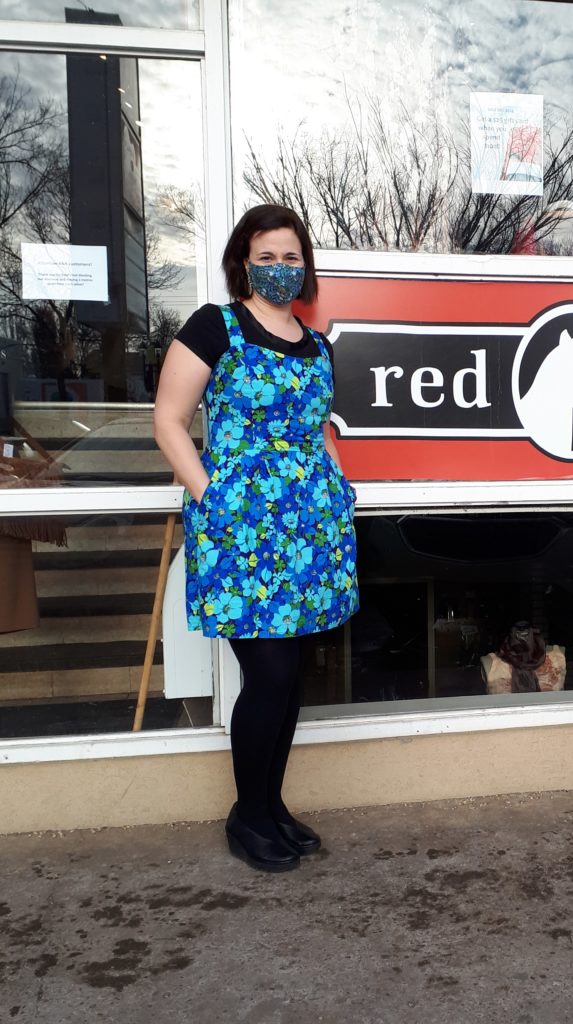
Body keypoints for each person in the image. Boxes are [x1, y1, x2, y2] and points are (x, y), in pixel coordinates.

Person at [154, 204, 359, 871]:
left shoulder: (318, 344)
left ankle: (271, 806)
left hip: (309, 532)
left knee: (289, 677)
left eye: (290, 257)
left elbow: (318, 426)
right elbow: (169, 420)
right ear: (243, 262)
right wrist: (211, 497)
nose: (279, 268)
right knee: (267, 673)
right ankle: (247, 816)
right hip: (240, 532)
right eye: (266, 257)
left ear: (305, 265)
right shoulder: (214, 327)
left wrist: (337, 479)